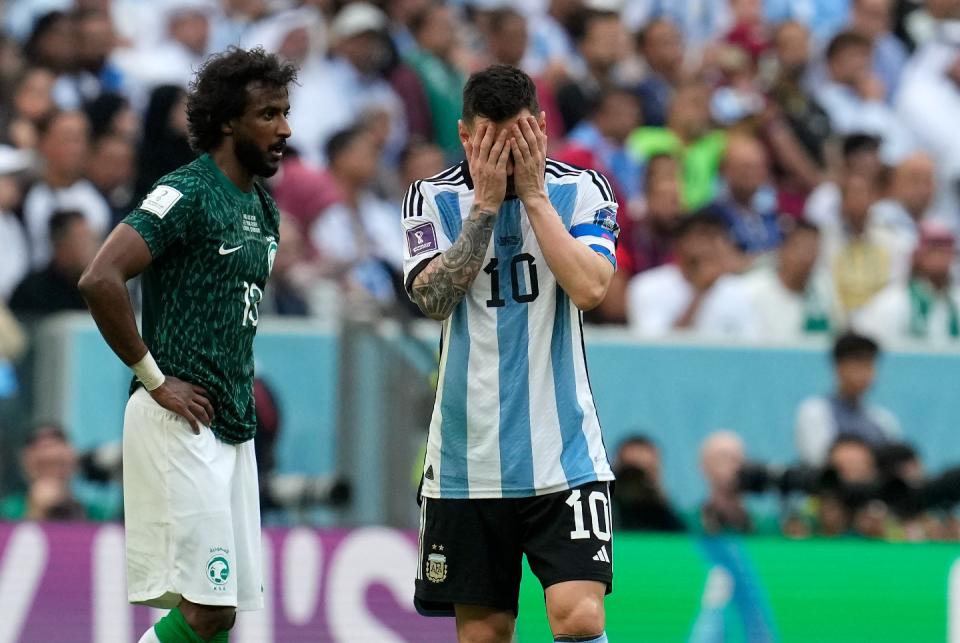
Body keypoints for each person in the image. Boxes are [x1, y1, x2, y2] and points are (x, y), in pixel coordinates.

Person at [78, 47, 295, 643]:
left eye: (285, 113)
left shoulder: (263, 209)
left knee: (221, 610)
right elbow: (100, 277)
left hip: (230, 421)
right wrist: (155, 379)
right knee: (204, 605)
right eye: (269, 115)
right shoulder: (186, 192)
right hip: (177, 417)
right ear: (228, 121)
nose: (285, 129)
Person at [403, 64, 616, 643]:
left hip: (564, 450)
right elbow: (432, 298)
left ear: (543, 129)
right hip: (465, 462)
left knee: (579, 617)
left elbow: (592, 288)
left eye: (522, 136)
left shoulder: (582, 189)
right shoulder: (432, 197)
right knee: (485, 635)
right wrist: (486, 207)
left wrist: (536, 197)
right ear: (466, 136)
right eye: (494, 140)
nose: (509, 151)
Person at [626, 214, 757, 339]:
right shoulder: (647, 287)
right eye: (701, 236)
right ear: (680, 243)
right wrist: (700, 293)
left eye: (714, 237)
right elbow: (656, 351)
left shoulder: (739, 290)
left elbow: (749, 350)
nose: (708, 246)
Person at [794, 332, 901, 467]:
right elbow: (820, 461)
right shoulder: (814, 411)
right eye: (858, 364)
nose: (865, 373)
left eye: (869, 365)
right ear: (839, 367)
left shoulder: (882, 420)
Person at [853, 222, 960, 344]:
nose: (940, 259)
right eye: (933, 251)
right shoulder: (892, 301)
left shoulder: (956, 301)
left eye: (946, 252)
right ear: (917, 256)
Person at [744, 219, 839, 339]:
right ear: (782, 250)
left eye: (813, 248)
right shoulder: (752, 290)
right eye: (801, 247)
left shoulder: (823, 287)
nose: (807, 256)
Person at [10, 210, 98, 315]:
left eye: (93, 240)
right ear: (60, 245)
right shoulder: (31, 292)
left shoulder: (98, 291)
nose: (93, 248)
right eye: (83, 241)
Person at [611, 435, 685, 532]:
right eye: (632, 473)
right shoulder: (598, 517)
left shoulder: (668, 519)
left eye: (649, 471)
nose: (639, 482)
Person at [698, 430, 753, 535]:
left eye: (737, 459)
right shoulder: (687, 525)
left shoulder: (765, 527)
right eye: (722, 457)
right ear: (704, 466)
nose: (732, 466)